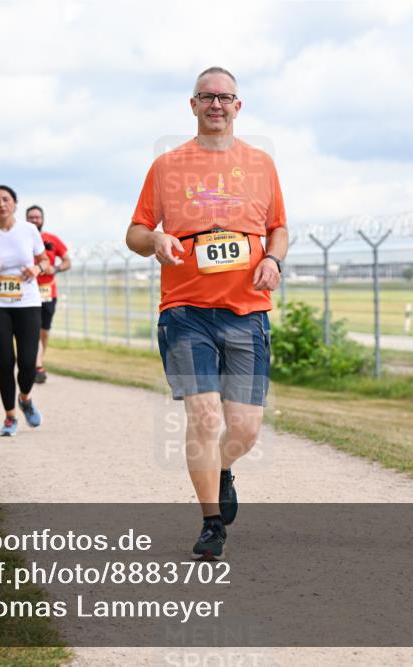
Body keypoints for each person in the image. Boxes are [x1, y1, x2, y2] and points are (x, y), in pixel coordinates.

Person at [126, 67, 288, 561]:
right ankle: (211, 522)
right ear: (192, 105)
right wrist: (155, 238)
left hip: (246, 312)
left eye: (225, 97)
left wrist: (272, 259)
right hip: (185, 311)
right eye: (206, 96)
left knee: (244, 427)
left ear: (238, 107)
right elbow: (134, 234)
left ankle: (221, 471)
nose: (216, 104)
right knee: (203, 415)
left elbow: (279, 228)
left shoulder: (261, 164)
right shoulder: (167, 166)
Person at [0, 185, 50, 436]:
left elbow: (46, 261)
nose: (1, 204)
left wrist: (37, 270)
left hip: (27, 303)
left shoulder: (28, 231)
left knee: (27, 363)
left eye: (6, 199)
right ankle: (9, 417)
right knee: (6, 361)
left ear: (15, 203)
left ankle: (24, 399)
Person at [26, 205, 71, 383]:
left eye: (37, 217)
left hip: (48, 292)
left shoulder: (52, 239)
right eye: (31, 217)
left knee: (44, 331)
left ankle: (38, 360)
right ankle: (37, 366)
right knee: (34, 329)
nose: (34, 220)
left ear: (42, 219)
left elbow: (68, 261)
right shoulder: (22, 239)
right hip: (28, 292)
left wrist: (56, 268)